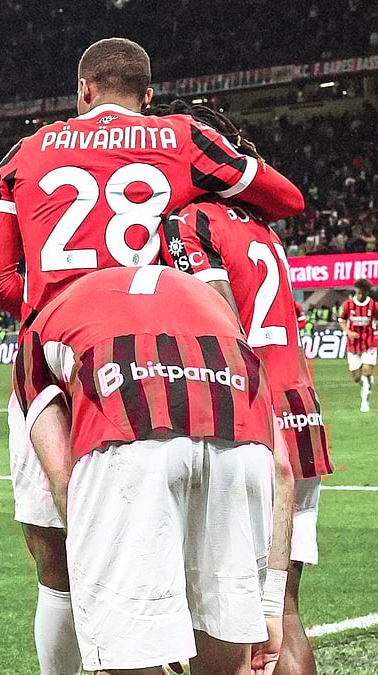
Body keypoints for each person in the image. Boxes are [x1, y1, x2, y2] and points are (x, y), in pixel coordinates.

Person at [0, 37, 305, 675]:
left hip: (53, 355)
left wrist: (54, 306)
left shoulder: (26, 151)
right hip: (166, 350)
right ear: (148, 97)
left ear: (83, 93)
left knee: (59, 567)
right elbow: (286, 199)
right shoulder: (181, 138)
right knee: (189, 551)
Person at [16, 265, 287, 675]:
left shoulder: (39, 329)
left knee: (132, 662)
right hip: (240, 439)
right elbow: (283, 468)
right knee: (228, 663)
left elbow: (64, 483)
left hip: (129, 434)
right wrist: (271, 603)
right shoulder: (216, 311)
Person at [153, 100, 332, 675]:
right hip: (301, 406)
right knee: (284, 604)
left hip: (251, 411)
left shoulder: (189, 222)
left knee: (226, 615)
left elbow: (219, 314)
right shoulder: (258, 223)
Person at [338, 278, 376, 412]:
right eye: (358, 292)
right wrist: (348, 332)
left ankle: (365, 402)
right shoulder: (348, 305)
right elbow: (341, 320)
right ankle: (366, 385)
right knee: (356, 376)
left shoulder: (373, 305)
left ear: (367, 292)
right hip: (353, 344)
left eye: (362, 293)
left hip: (369, 342)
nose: (359, 295)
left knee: (366, 370)